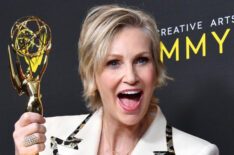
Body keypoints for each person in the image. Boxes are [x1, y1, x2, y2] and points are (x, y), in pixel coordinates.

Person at [13, 4, 219, 155]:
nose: (130, 77)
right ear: (92, 73)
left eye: (141, 60)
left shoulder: (198, 152)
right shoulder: (46, 135)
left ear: (156, 70)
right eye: (113, 62)